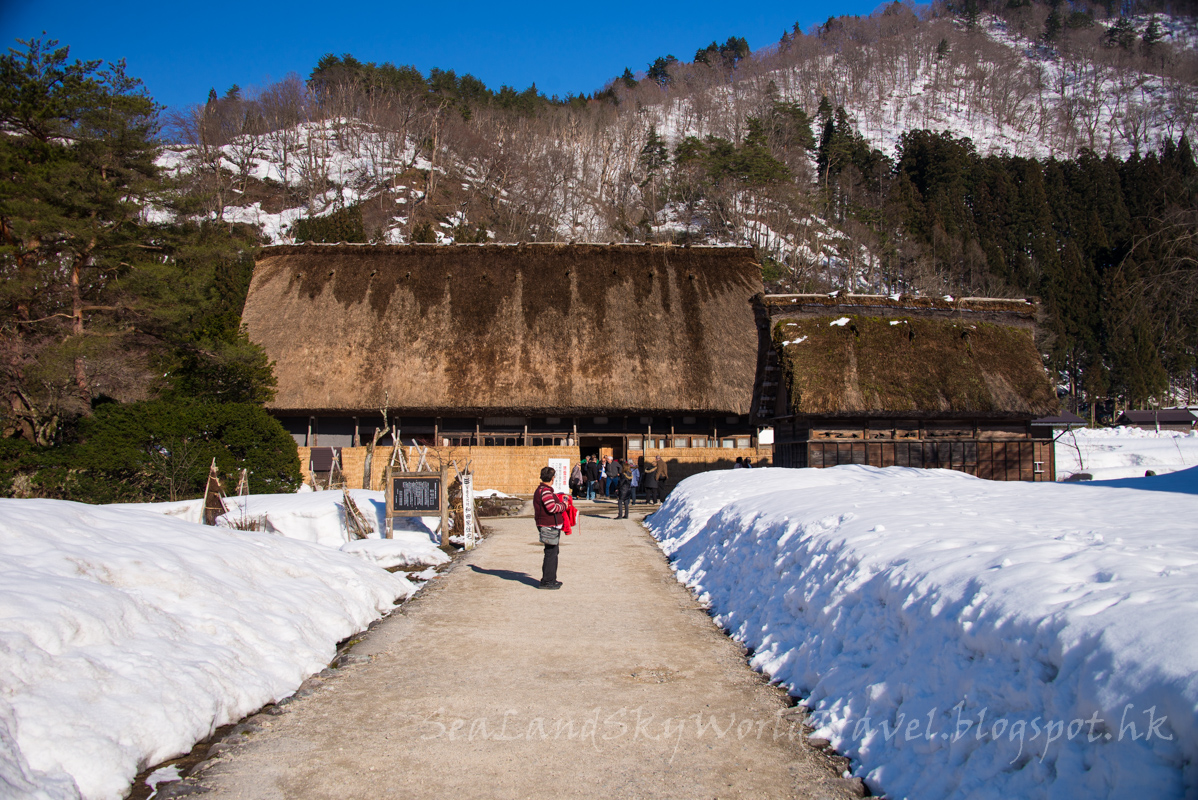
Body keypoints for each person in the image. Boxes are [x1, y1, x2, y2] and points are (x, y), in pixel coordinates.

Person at [533, 466, 567, 589]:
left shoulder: (542, 489)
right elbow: (551, 508)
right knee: (551, 553)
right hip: (548, 525)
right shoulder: (546, 491)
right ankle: (547, 581)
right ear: (552, 478)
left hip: (546, 524)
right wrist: (564, 505)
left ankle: (550, 578)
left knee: (552, 552)